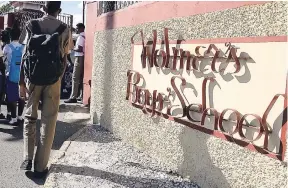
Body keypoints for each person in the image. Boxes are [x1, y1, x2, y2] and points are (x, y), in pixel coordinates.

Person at [18, 1, 72, 178]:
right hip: (53, 80)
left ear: (43, 8)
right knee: (48, 121)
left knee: (29, 117)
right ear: (59, 11)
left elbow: (25, 55)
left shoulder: (31, 25)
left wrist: (21, 83)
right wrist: (59, 77)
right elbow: (65, 55)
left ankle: (27, 156)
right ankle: (40, 167)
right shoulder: (65, 28)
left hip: (32, 77)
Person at [3, 25, 25, 125]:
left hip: (10, 74)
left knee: (11, 97)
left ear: (10, 36)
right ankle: (20, 116)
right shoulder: (23, 47)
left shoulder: (7, 47)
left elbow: (4, 60)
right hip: (22, 75)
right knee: (21, 96)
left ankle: (13, 118)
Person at [64, 23, 85, 103]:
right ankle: (80, 95)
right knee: (80, 78)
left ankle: (73, 97)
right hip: (82, 58)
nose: (76, 30)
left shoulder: (80, 37)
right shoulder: (85, 35)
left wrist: (73, 48)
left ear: (81, 28)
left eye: (77, 28)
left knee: (75, 78)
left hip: (79, 58)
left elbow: (79, 49)